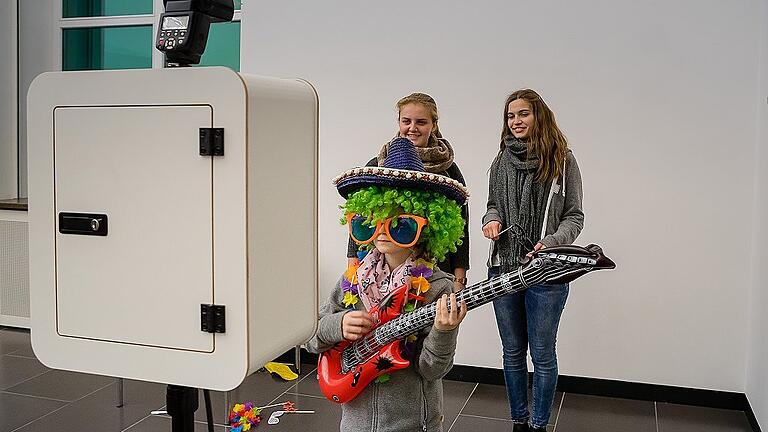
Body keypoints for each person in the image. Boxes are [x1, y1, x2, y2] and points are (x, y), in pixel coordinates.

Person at [309, 137, 469, 432]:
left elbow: (433, 369)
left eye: (400, 223)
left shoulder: (438, 288)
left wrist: (444, 332)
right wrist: (338, 324)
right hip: (356, 421)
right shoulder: (351, 280)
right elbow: (310, 337)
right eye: (372, 221)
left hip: (413, 423)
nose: (382, 232)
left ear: (426, 228)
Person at [481, 89, 584, 432]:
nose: (516, 121)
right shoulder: (500, 161)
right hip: (504, 268)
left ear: (539, 116)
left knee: (542, 354)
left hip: (547, 272)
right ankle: (519, 422)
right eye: (510, 116)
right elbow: (492, 204)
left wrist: (552, 242)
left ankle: (539, 424)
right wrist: (490, 221)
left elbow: (574, 217)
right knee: (512, 353)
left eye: (523, 114)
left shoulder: (563, 160)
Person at [347, 92, 470, 291]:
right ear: (399, 122)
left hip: (435, 268)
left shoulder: (449, 170)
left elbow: (461, 225)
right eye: (406, 121)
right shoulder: (378, 165)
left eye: (421, 122)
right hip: (382, 266)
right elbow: (362, 217)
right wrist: (352, 265)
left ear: (433, 125)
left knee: (436, 320)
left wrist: (459, 279)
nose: (412, 128)